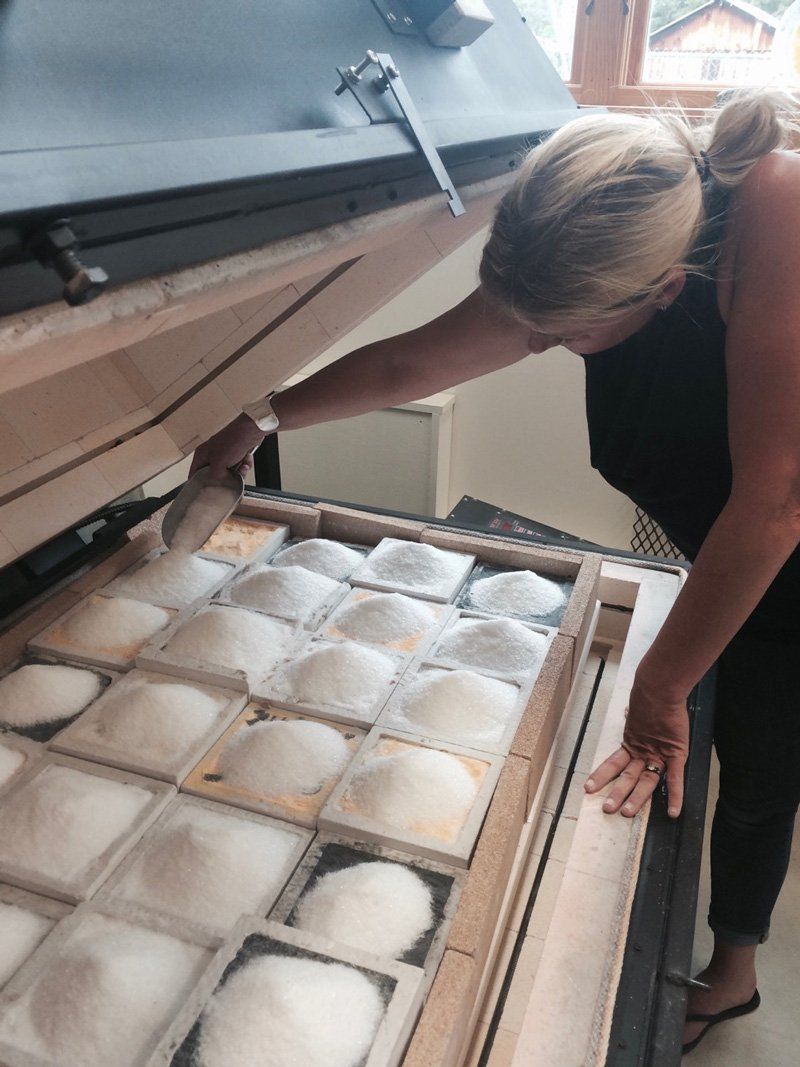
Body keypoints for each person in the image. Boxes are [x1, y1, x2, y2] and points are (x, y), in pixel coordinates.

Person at [191, 89, 800, 1054]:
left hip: (786, 540)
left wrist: (660, 686)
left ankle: (733, 974)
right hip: (731, 529)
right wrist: (261, 417)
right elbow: (410, 365)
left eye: (564, 337)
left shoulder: (774, 207)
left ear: (662, 291)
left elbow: (773, 502)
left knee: (767, 752)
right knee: (730, 718)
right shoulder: (591, 214)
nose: (544, 346)